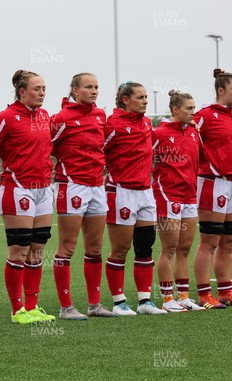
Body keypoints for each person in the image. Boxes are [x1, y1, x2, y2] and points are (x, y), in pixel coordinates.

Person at [50, 72, 116, 320]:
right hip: (72, 186)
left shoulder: (100, 115)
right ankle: (66, 307)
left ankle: (95, 304)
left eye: (97, 86)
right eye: (88, 87)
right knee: (67, 247)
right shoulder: (61, 118)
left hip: (97, 185)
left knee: (95, 248)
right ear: (75, 90)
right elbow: (47, 145)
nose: (94, 90)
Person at [0, 70, 56, 324]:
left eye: (43, 88)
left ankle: (33, 306)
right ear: (22, 91)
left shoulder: (44, 116)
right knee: (19, 249)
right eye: (36, 89)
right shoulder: (6, 117)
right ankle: (17, 310)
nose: (42, 93)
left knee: (37, 250)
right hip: (18, 188)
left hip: (44, 189)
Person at [103, 82, 166, 315]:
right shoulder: (112, 125)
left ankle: (145, 302)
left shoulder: (147, 123)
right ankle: (119, 302)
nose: (145, 101)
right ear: (126, 100)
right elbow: (97, 150)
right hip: (121, 192)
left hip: (145, 191)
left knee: (145, 245)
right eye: (140, 97)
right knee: (120, 249)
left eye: (146, 96)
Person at [153, 90, 204, 312]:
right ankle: (166, 299)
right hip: (168, 196)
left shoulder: (194, 132)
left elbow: (199, 159)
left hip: (190, 196)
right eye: (189, 108)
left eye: (194, 107)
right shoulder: (159, 133)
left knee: (185, 248)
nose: (193, 112)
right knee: (169, 248)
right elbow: (147, 159)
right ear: (175, 110)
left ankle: (183, 296)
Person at [193, 69, 232, 309]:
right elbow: (188, 139)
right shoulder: (205, 115)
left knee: (229, 240)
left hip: (231, 183)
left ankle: (226, 291)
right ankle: (204, 294)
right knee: (210, 240)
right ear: (221, 90)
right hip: (212, 181)